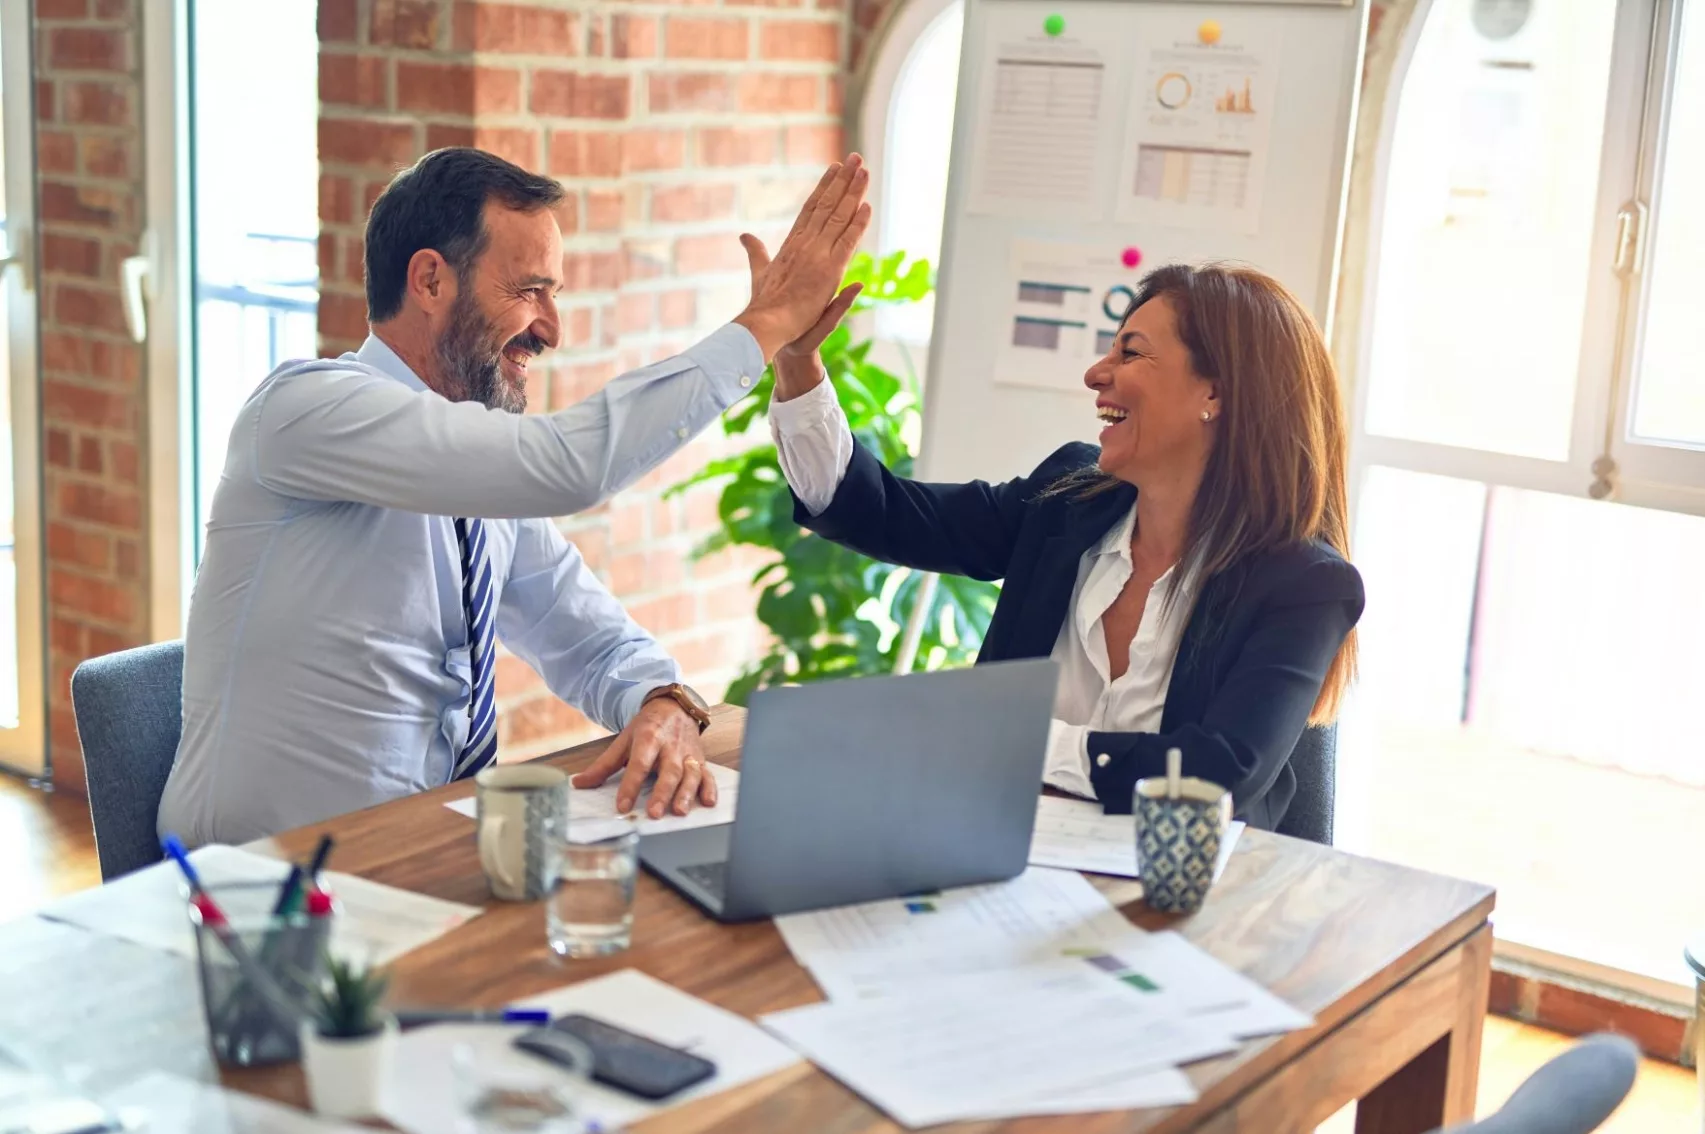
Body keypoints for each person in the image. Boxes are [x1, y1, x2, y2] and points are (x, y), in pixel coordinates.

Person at [158, 147, 870, 846]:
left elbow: (587, 636)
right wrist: (767, 324)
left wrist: (662, 701)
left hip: (421, 858)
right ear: (431, 281)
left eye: (553, 294)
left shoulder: (476, 477)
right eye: (530, 290)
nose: (551, 329)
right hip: (259, 886)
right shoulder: (306, 411)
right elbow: (569, 466)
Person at [768, 262, 1363, 830]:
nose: (1096, 373)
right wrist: (798, 361)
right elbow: (880, 512)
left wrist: (1012, 738)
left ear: (1216, 394)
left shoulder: (1305, 585)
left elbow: (1214, 778)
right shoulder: (1067, 502)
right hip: (999, 857)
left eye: (1130, 352)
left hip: (1184, 903)